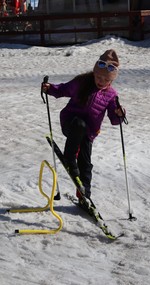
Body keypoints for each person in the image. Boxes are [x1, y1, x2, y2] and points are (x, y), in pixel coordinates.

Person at [42, 49, 126, 201]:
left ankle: (84, 194)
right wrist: (50, 89)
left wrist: (120, 114)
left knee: (86, 163)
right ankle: (69, 157)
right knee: (79, 125)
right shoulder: (81, 82)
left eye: (105, 79)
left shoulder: (111, 95)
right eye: (98, 76)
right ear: (94, 73)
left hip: (89, 132)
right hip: (70, 122)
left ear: (111, 80)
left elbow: (114, 119)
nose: (100, 81)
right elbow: (63, 89)